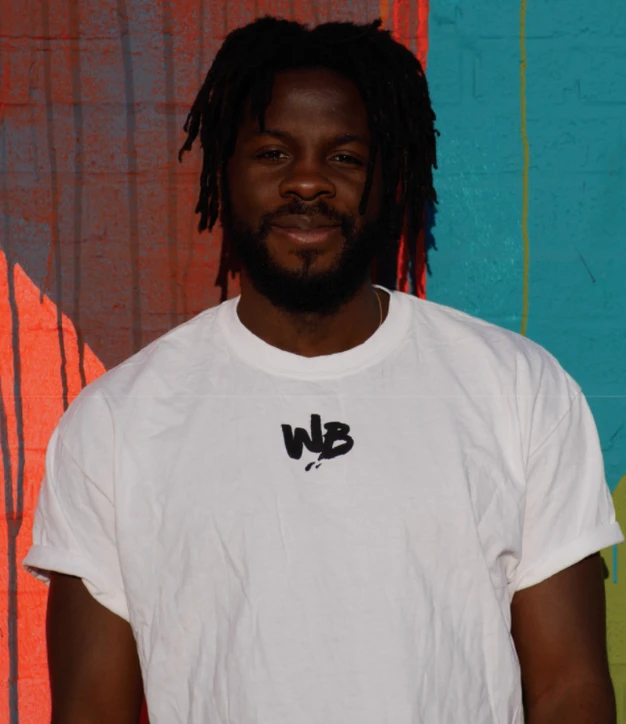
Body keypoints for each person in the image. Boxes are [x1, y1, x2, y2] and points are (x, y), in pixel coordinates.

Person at [24, 16, 622, 724]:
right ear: (224, 172)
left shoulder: (519, 390)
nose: (307, 181)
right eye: (273, 153)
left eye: (344, 157)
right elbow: (91, 709)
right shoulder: (115, 424)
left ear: (389, 179)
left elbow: (569, 689)